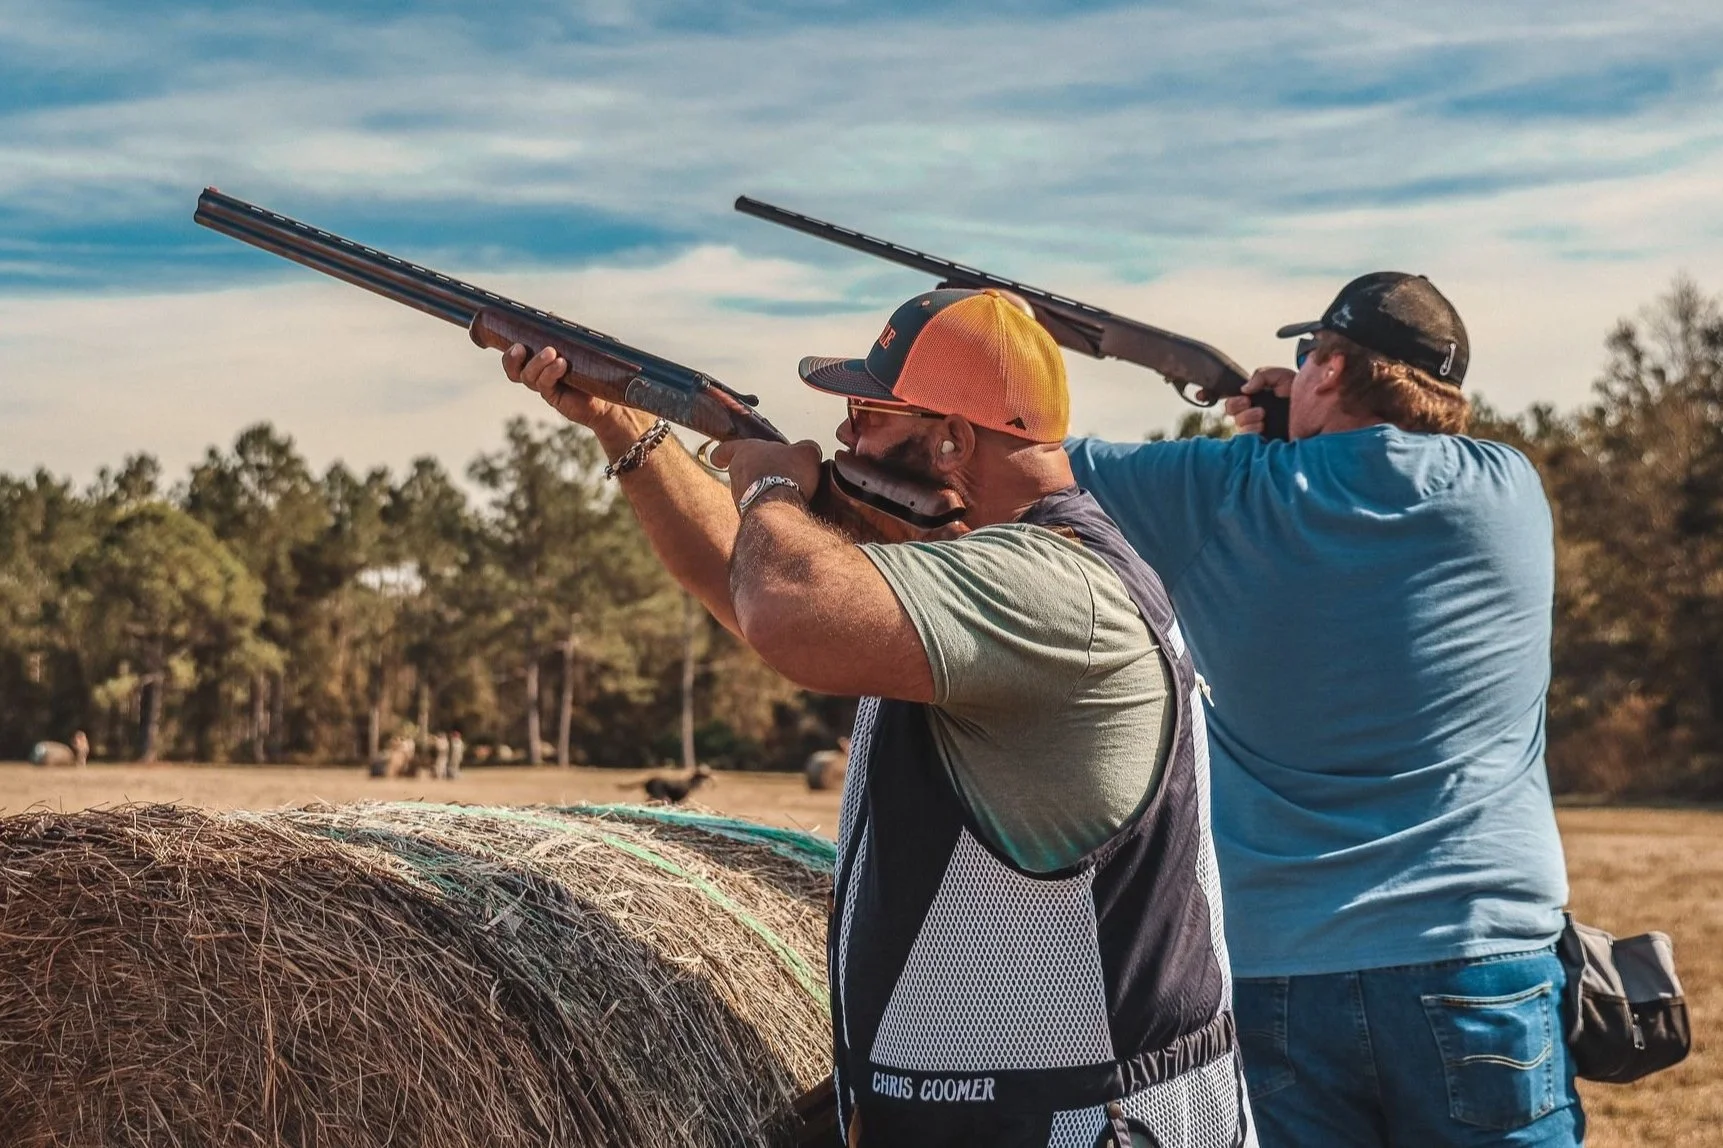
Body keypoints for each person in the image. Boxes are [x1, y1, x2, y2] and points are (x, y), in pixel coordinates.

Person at [503, 288, 1253, 1147]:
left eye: (866, 413)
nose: (845, 441)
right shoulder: (975, 571)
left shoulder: (1051, 587)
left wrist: (776, 487)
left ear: (952, 439)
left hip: (1076, 1124)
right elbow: (745, 588)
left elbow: (790, 609)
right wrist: (623, 427)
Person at [1066, 273, 1581, 1146]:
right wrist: (1294, 424)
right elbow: (1371, 469)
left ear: (1333, 368)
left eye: (1308, 358)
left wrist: (1268, 441)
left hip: (1276, 969)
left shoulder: (1215, 489)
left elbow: (1025, 468)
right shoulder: (1507, 491)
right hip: (1479, 954)